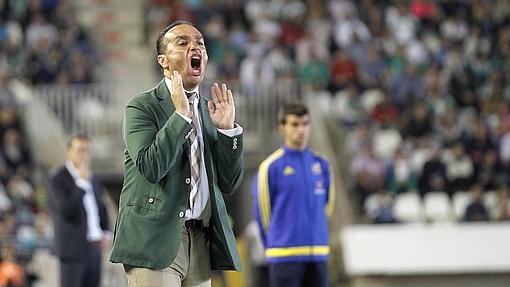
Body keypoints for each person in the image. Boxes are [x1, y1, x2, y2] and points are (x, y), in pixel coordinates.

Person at [109, 20, 244, 287]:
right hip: (154, 240)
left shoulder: (210, 111)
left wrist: (228, 132)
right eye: (183, 43)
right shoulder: (141, 107)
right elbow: (151, 166)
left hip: (201, 242)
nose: (195, 47)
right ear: (163, 60)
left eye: (200, 44)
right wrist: (180, 116)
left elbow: (229, 183)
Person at [252, 103, 335, 287]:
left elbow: (327, 207)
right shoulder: (271, 167)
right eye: (295, 124)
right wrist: (276, 243)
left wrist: (316, 233)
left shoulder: (322, 164)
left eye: (305, 123)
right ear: (283, 128)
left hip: (318, 253)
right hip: (284, 255)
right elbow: (263, 214)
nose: (301, 129)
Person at [47, 134, 111, 287]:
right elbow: (66, 210)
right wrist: (80, 183)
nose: (84, 155)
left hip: (95, 247)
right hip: (72, 251)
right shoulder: (57, 178)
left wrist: (106, 232)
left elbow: (101, 207)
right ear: (69, 151)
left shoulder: (94, 178)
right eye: (80, 150)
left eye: (88, 150)